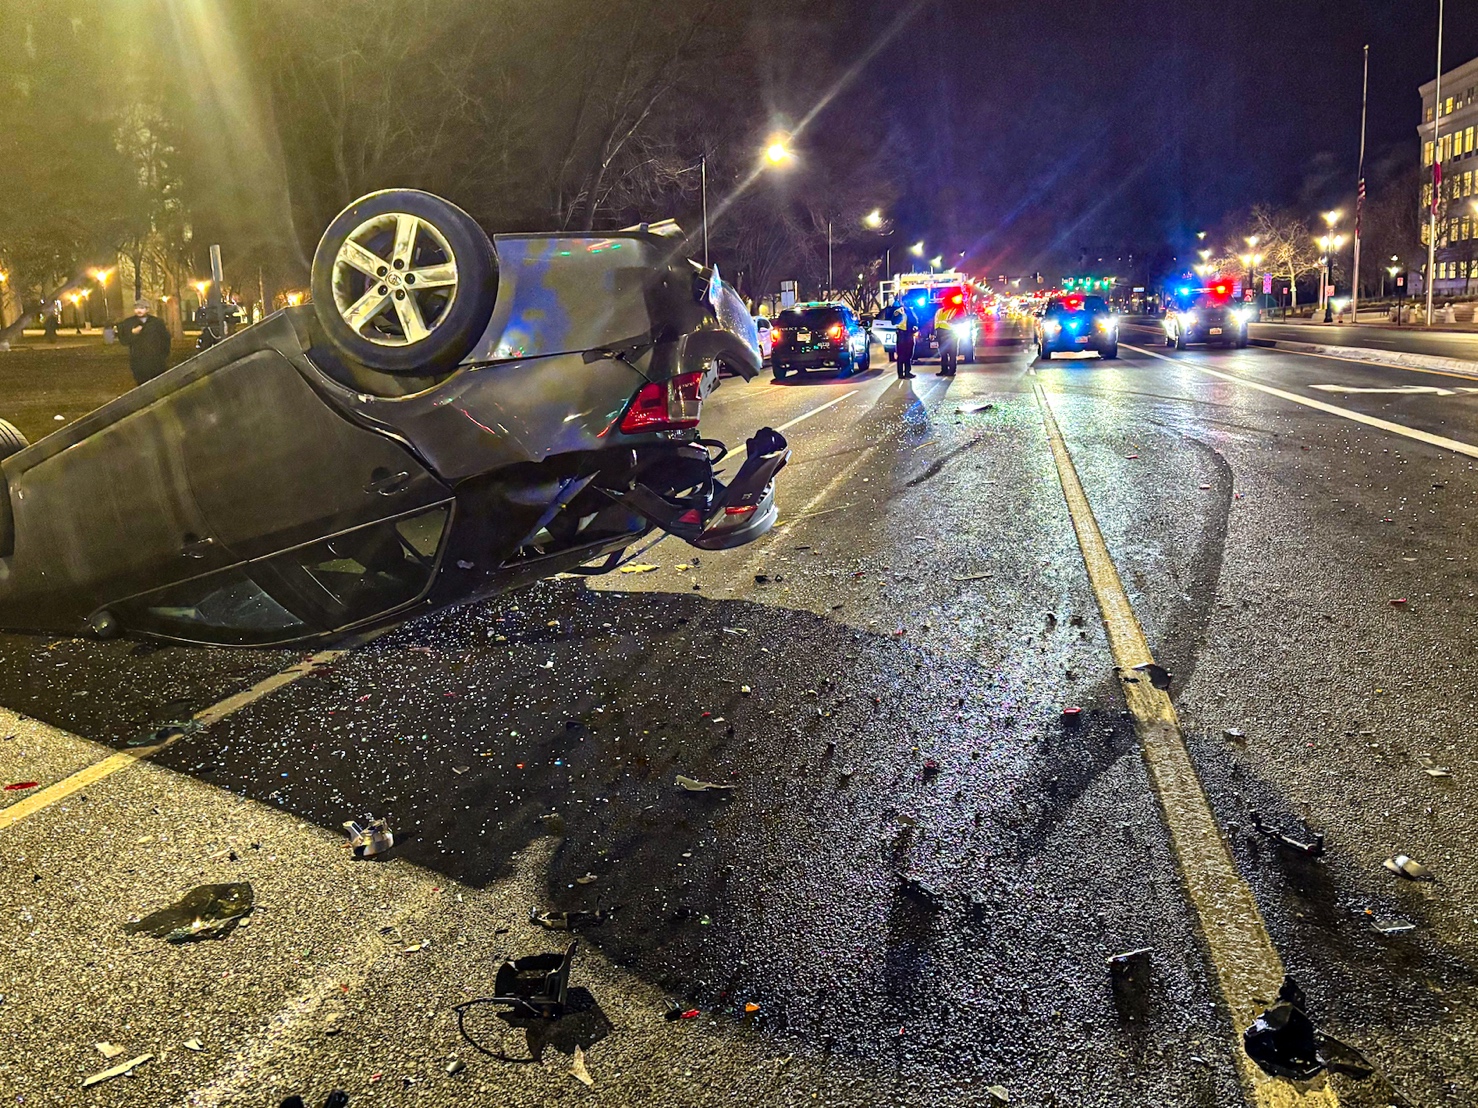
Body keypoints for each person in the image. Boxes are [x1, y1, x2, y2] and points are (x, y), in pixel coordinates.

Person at [115, 298, 172, 385]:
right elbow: (124, 341)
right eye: (137, 308)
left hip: (156, 360)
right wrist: (132, 333)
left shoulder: (156, 323)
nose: (139, 310)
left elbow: (165, 338)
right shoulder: (128, 323)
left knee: (158, 384)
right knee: (142, 384)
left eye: (142, 308)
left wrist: (164, 354)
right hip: (138, 360)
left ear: (147, 309)